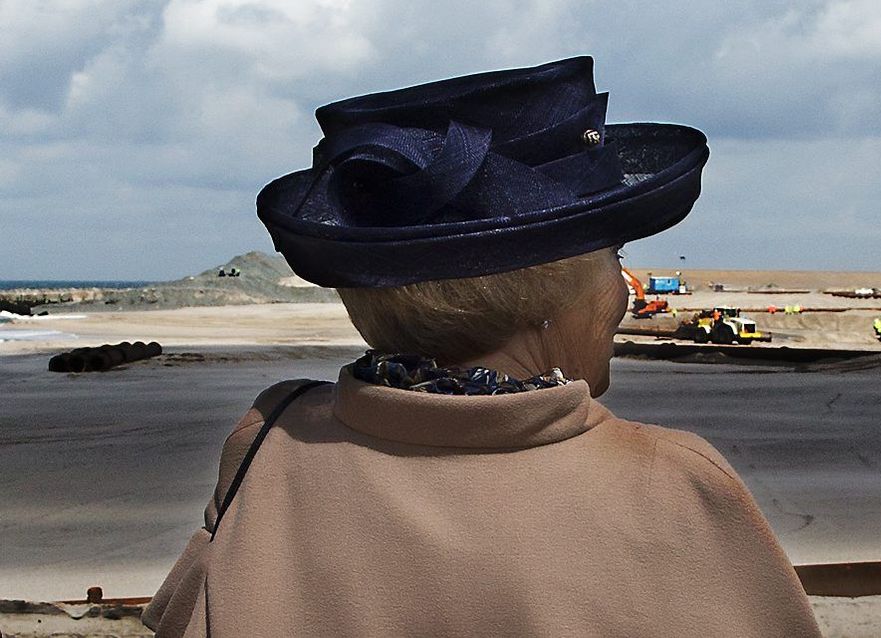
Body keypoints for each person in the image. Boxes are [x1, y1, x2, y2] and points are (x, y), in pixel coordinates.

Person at [143, 57, 820, 637]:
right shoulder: (675, 486)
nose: (622, 294)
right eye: (612, 256)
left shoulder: (267, 443)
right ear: (547, 301)